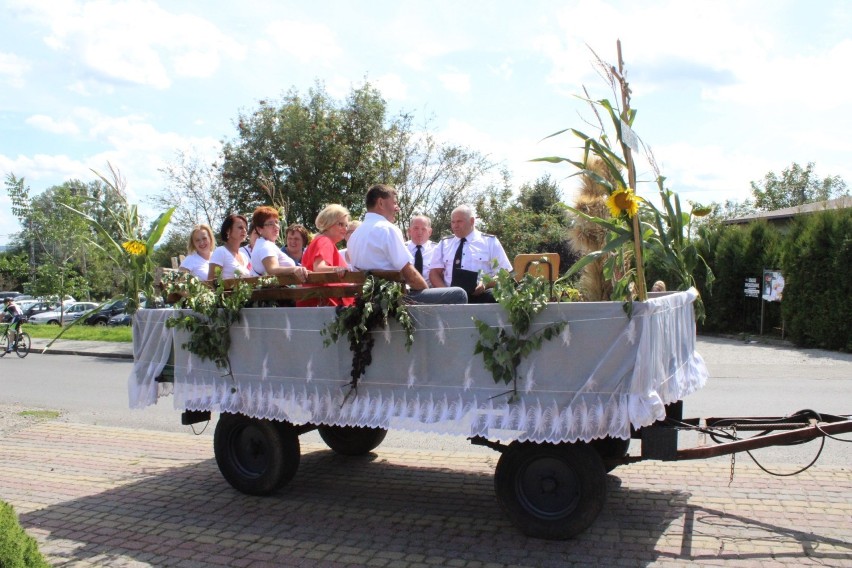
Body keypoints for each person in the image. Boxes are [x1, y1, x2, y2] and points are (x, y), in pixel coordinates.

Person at [347, 184, 466, 305]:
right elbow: (410, 275)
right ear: (381, 203)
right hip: (394, 300)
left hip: (367, 301)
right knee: (458, 294)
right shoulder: (387, 229)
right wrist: (427, 292)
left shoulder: (355, 235)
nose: (397, 208)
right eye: (394, 203)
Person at [429, 204, 512, 303]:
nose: (455, 225)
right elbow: (434, 273)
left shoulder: (490, 242)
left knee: (495, 295)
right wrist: (446, 293)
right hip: (450, 298)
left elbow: (504, 273)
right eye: (453, 222)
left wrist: (486, 283)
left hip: (481, 296)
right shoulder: (444, 243)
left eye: (459, 221)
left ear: (472, 221)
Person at [296, 204, 353, 308]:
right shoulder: (324, 241)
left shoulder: (320, 240)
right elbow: (319, 268)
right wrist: (338, 269)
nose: (344, 229)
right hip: (325, 307)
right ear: (328, 224)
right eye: (340, 224)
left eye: (346, 225)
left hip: (319, 303)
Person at [250, 206, 309, 281]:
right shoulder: (265, 246)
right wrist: (295, 269)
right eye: (270, 224)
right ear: (259, 229)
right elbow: (272, 270)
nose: (276, 226)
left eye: (276, 222)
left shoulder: (265, 244)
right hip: (276, 292)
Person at [208, 214, 253, 280]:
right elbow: (211, 282)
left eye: (245, 228)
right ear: (228, 230)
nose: (244, 231)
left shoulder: (244, 257)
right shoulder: (220, 252)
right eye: (240, 227)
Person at [405, 215, 436, 284]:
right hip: (405, 291)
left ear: (430, 232)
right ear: (409, 231)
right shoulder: (402, 248)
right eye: (416, 228)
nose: (419, 233)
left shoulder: (436, 249)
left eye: (423, 229)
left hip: (430, 291)